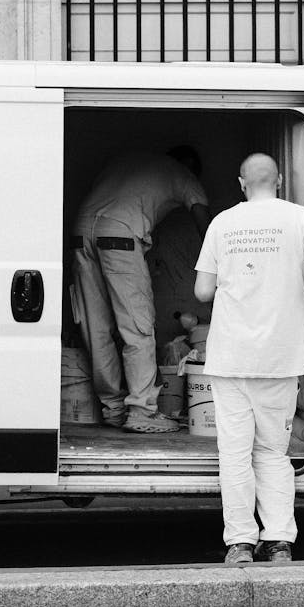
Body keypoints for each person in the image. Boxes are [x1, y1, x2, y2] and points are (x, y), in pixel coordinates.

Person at [193, 153, 304, 563]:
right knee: (273, 452)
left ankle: (239, 542)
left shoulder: (222, 223)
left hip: (230, 357)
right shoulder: (299, 219)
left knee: (234, 453)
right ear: (278, 182)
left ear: (241, 183)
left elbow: (203, 291)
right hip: (279, 357)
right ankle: (278, 542)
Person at [73, 147, 211, 433]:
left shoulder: (128, 160)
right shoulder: (184, 175)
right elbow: (206, 226)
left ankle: (113, 408)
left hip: (80, 229)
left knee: (96, 327)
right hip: (119, 234)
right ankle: (141, 411)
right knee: (137, 325)